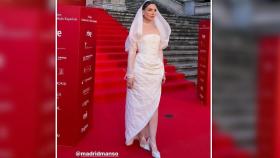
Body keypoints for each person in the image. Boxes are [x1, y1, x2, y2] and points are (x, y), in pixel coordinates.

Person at [124, 1, 171, 158]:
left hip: (155, 71)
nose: (153, 12)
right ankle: (142, 137)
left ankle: (153, 142)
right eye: (150, 10)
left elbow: (160, 52)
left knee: (153, 106)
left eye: (155, 10)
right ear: (143, 11)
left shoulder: (158, 28)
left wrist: (163, 71)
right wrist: (130, 74)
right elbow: (132, 52)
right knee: (139, 105)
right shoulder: (137, 28)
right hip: (140, 70)